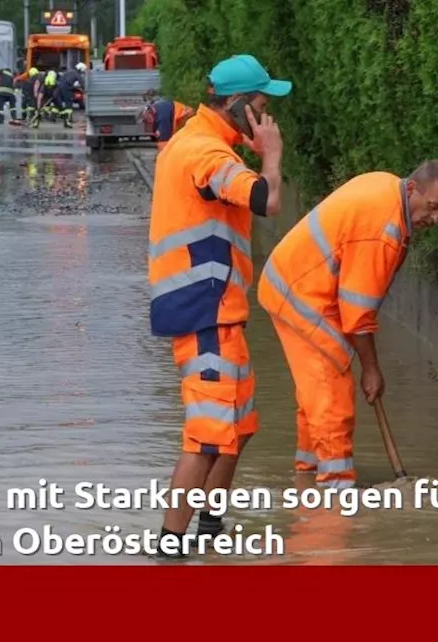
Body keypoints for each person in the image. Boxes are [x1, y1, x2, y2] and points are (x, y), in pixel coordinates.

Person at [147, 54, 289, 558]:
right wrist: (270, 156)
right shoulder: (207, 154)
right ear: (235, 104)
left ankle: (209, 525)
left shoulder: (201, 139)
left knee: (240, 425)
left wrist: (247, 146)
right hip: (203, 312)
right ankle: (170, 547)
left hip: (216, 310)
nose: (266, 112)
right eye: (260, 103)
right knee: (208, 437)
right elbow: (265, 201)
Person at [258, 160, 438, 490]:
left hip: (290, 284)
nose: (435, 219)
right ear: (412, 189)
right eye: (433, 207)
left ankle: (307, 478)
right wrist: (371, 369)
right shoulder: (383, 230)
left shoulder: (387, 186)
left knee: (316, 396)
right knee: (333, 399)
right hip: (303, 298)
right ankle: (335, 496)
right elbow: (357, 314)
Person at [55, 62, 86, 128]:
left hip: (58, 87)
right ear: (80, 69)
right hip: (67, 89)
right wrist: (85, 90)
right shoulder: (77, 74)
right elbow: (82, 83)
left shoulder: (69, 71)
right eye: (82, 71)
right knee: (69, 105)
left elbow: (61, 78)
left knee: (59, 104)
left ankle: (61, 116)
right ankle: (68, 121)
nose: (82, 72)